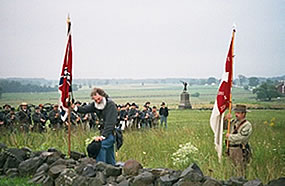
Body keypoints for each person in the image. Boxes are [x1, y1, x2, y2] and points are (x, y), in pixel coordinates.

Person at [72, 87, 117, 165]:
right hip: (103, 132)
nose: (97, 101)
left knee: (100, 146)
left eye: (98, 99)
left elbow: (110, 123)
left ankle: (101, 167)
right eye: (95, 100)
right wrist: (74, 107)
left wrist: (103, 136)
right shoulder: (95, 105)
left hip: (111, 133)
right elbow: (84, 109)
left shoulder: (110, 105)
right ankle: (112, 168)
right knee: (109, 152)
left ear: (102, 95)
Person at [225, 104, 253, 176]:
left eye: (238, 113)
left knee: (240, 170)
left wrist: (230, 137)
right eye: (235, 113)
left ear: (243, 114)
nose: (236, 114)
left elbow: (241, 137)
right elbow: (223, 126)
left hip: (240, 149)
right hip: (230, 149)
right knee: (230, 170)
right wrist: (225, 119)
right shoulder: (233, 122)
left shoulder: (247, 125)